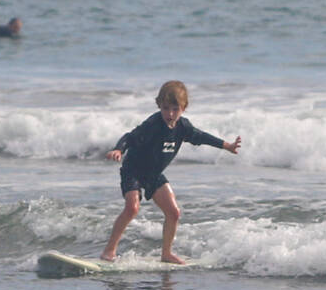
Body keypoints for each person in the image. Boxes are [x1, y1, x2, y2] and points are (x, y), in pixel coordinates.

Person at [101, 80, 241, 264]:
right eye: (166, 108)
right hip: (133, 170)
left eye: (175, 109)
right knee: (132, 208)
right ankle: (109, 251)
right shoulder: (153, 124)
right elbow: (129, 137)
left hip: (154, 174)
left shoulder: (183, 127)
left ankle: (166, 254)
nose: (170, 114)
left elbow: (201, 137)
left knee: (174, 212)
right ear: (159, 105)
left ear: (184, 108)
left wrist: (227, 146)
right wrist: (119, 149)